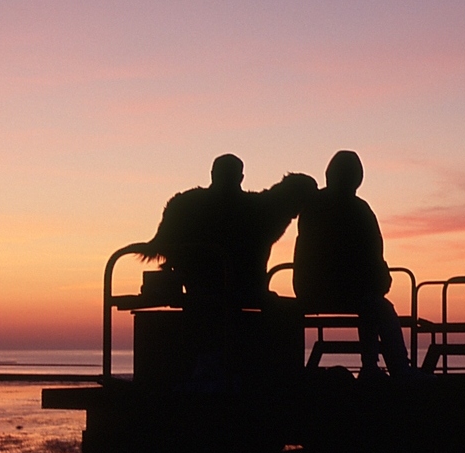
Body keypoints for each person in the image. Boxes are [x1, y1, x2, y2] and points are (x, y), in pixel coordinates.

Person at [293, 150, 418, 379]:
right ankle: (396, 370)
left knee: (371, 301)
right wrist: (381, 281)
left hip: (309, 289)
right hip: (349, 291)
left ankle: (371, 367)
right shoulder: (360, 210)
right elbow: (373, 255)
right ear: (357, 179)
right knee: (378, 306)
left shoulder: (312, 208)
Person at [142, 153, 316, 306]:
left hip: (196, 286)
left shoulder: (183, 203)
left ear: (212, 174)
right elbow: (258, 253)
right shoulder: (258, 209)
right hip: (242, 290)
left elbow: (159, 247)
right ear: (241, 177)